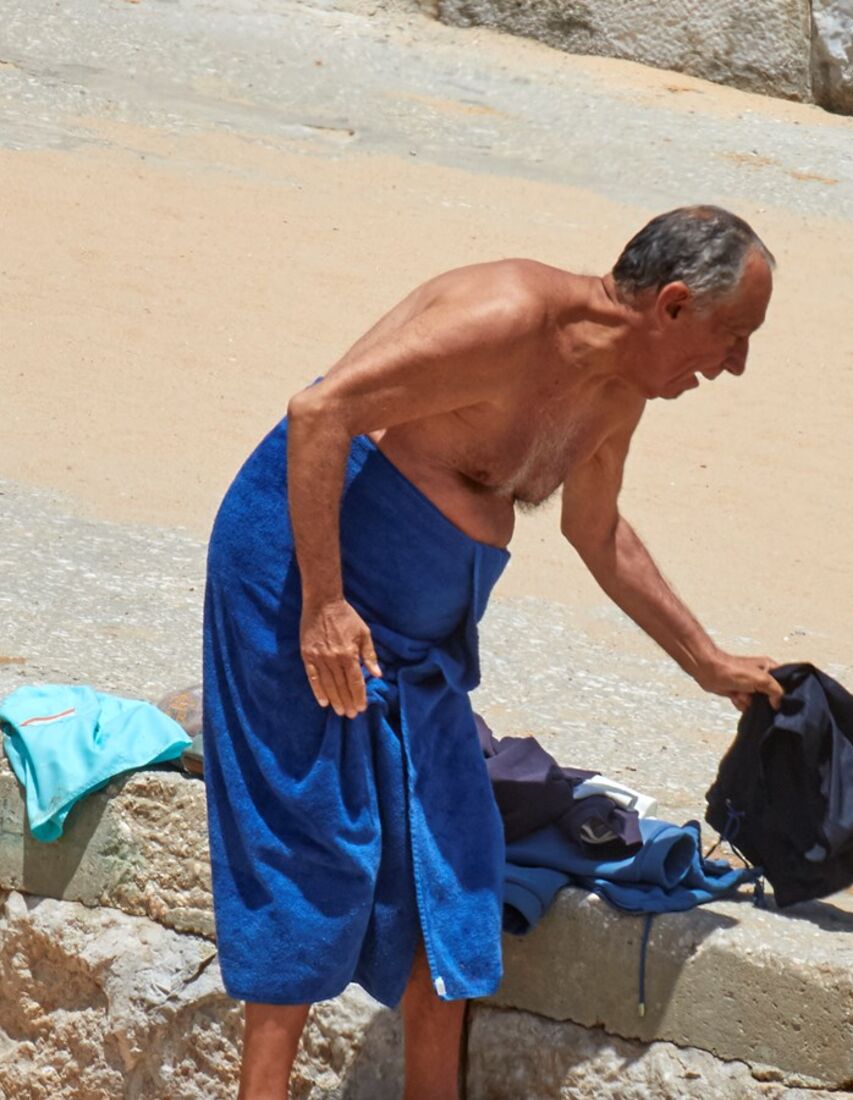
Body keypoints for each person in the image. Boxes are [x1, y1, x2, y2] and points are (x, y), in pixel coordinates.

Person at [202, 205, 785, 1100]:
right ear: (672, 305)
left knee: (454, 867)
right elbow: (321, 414)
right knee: (314, 853)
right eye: (733, 334)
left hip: (420, 636)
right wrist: (323, 604)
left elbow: (597, 529)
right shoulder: (506, 319)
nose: (737, 363)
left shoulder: (620, 388)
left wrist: (706, 662)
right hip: (297, 587)